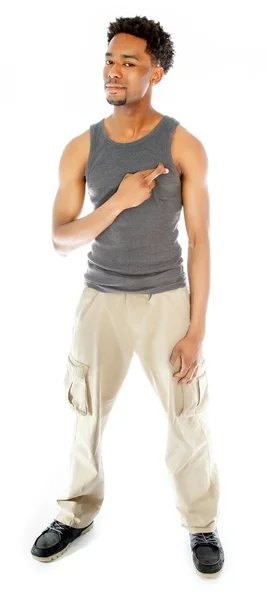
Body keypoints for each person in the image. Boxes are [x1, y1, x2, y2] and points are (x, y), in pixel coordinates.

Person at [31, 15, 224, 577]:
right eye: (110, 60)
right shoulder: (81, 147)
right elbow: (60, 238)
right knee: (85, 414)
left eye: (129, 62)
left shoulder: (183, 144)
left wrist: (196, 329)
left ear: (156, 73)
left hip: (166, 298)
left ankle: (202, 525)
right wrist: (117, 201)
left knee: (186, 416)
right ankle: (75, 513)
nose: (114, 71)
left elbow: (202, 240)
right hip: (100, 300)